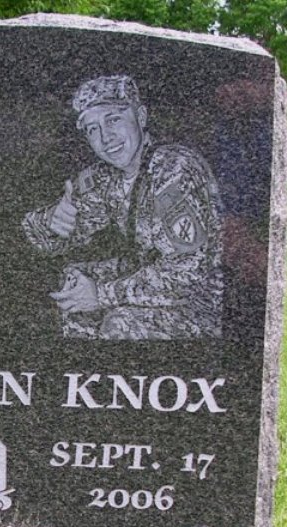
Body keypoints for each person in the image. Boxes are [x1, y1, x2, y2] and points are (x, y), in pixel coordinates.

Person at [22, 75, 223, 340]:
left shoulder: (173, 170)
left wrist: (102, 294)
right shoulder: (107, 178)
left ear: (140, 116)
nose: (106, 138)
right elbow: (48, 242)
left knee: (121, 323)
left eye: (113, 119)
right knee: (74, 279)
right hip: (150, 278)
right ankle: (82, 373)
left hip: (200, 303)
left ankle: (126, 377)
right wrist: (52, 220)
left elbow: (186, 272)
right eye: (93, 129)